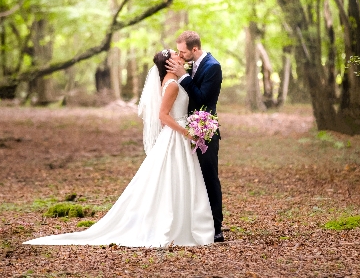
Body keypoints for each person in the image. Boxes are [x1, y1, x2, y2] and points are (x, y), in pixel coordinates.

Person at [23, 50, 214, 247]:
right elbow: (163, 116)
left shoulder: (171, 81)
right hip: (177, 135)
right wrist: (186, 132)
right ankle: (176, 225)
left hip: (176, 135)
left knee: (176, 177)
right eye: (175, 54)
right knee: (174, 177)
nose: (179, 55)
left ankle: (182, 222)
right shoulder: (172, 84)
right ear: (168, 63)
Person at [165, 31, 224, 243]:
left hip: (205, 132)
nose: (180, 56)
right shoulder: (191, 65)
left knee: (209, 177)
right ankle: (194, 224)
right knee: (192, 180)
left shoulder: (212, 67)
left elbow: (201, 99)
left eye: (183, 52)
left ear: (195, 49)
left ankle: (216, 227)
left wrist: (183, 76)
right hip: (186, 131)